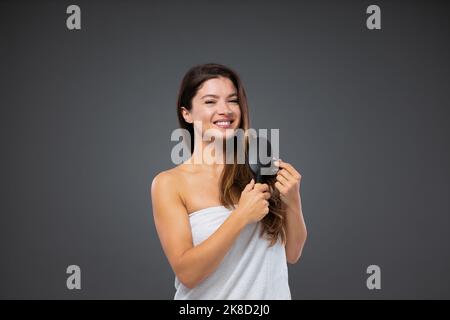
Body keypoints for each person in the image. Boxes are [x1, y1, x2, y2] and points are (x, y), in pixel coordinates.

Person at [150, 63, 307, 299]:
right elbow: (188, 274)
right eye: (210, 101)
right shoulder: (169, 183)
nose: (225, 110)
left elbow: (292, 253)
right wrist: (241, 216)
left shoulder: (261, 169)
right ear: (187, 113)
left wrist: (293, 199)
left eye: (232, 100)